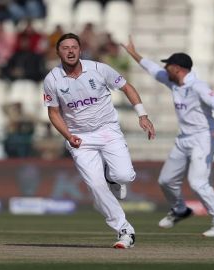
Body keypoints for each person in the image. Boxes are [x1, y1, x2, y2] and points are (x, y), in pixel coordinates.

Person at [43, 33, 155, 249]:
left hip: (107, 131)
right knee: (95, 186)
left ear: (80, 49)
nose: (70, 51)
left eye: (74, 47)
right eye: (65, 47)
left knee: (124, 175)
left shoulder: (98, 69)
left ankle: (112, 178)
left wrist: (142, 115)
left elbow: (127, 87)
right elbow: (54, 113)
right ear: (58, 52)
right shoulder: (52, 79)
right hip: (79, 137)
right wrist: (68, 136)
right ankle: (124, 229)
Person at [122, 37, 214, 237]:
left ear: (177, 68)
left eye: (168, 66)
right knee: (166, 180)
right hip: (184, 139)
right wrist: (133, 53)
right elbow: (153, 70)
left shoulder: (197, 86)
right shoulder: (174, 83)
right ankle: (180, 209)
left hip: (203, 139)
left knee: (198, 182)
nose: (165, 69)